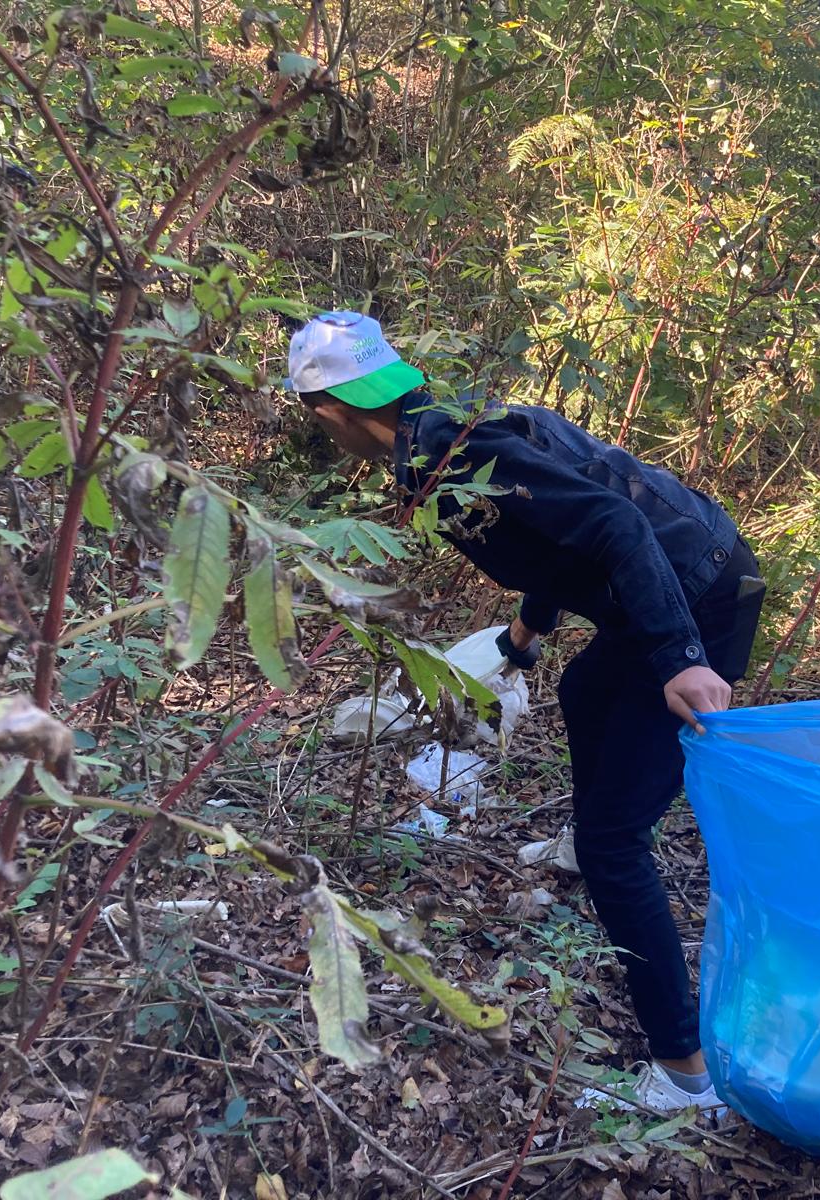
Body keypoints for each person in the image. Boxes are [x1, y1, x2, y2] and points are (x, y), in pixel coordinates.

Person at [288, 312, 765, 1112]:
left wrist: (681, 655)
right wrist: (526, 632)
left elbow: (616, 523)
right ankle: (587, 842)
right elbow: (565, 535)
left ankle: (687, 1073)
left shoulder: (456, 452)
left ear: (330, 411)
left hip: (697, 595)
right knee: (582, 691)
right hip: (660, 589)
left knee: (620, 846)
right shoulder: (455, 427)